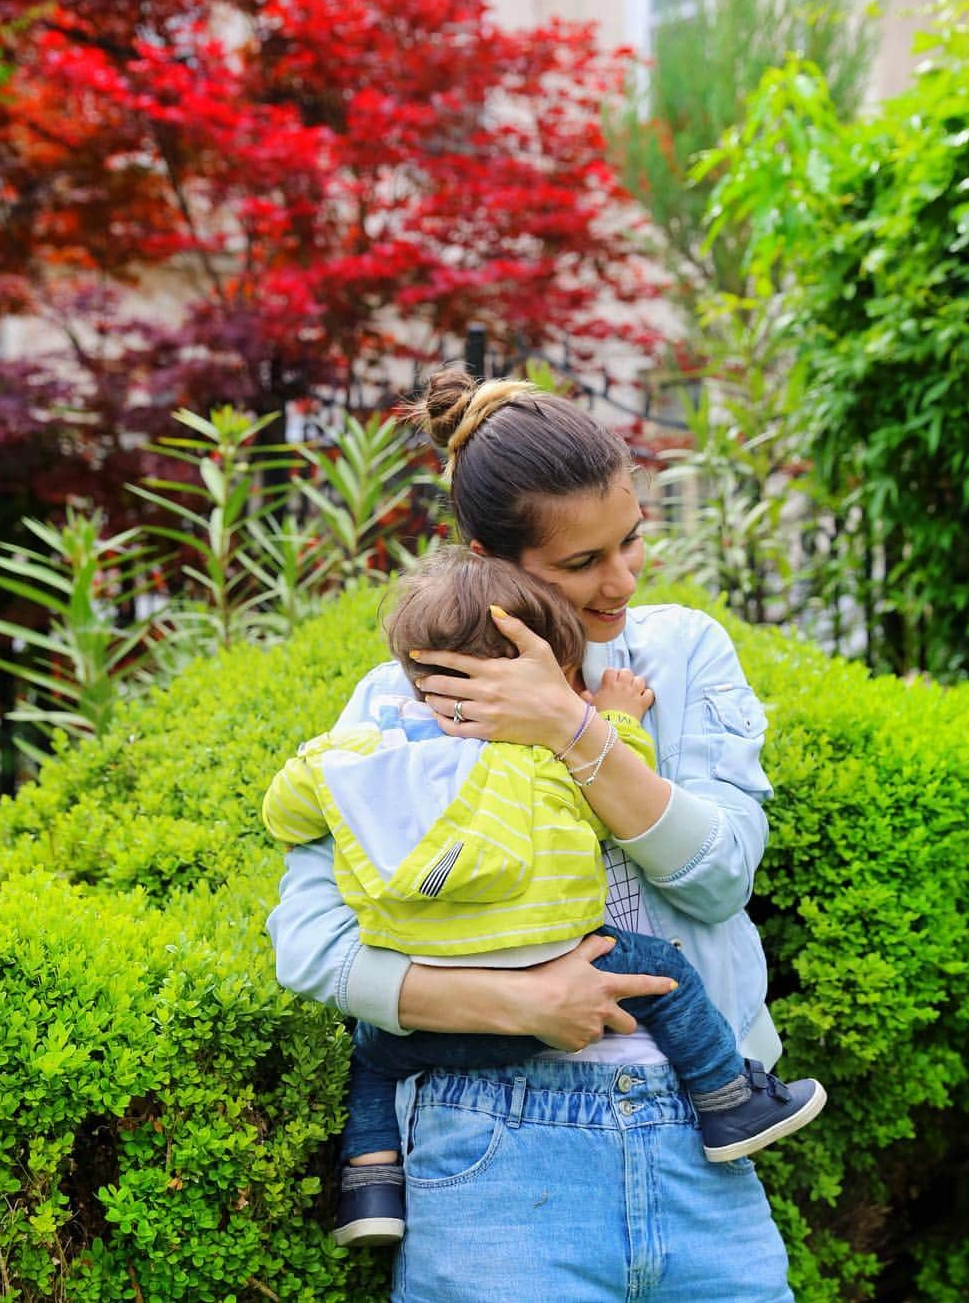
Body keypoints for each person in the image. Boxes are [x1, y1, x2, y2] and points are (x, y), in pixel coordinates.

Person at [267, 369, 807, 1300]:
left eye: (631, 540)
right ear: (495, 558)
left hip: (704, 1130)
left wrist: (572, 726)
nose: (624, 580)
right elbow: (313, 949)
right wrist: (518, 1004)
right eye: (581, 563)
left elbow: (717, 878)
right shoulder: (398, 702)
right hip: (491, 1150)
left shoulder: (679, 655)